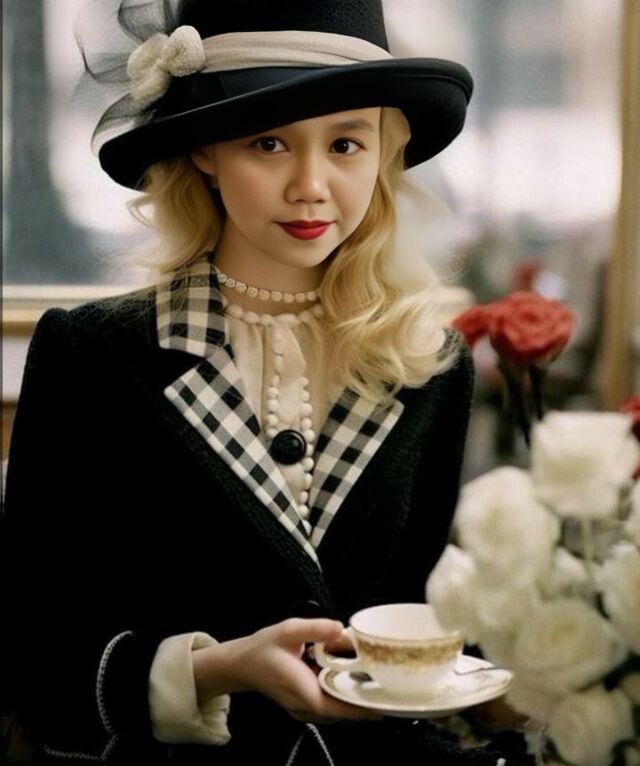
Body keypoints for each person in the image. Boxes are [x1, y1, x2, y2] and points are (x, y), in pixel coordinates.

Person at [2, 1, 532, 764]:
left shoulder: (429, 364)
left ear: (384, 152)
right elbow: (33, 655)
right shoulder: (93, 356)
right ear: (205, 150)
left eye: (346, 143)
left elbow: (412, 617)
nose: (311, 186)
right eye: (268, 142)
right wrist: (214, 671)